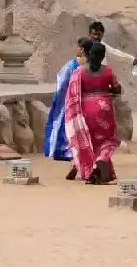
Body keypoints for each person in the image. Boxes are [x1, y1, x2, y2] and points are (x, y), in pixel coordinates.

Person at [64, 41, 122, 185]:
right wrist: (107, 91)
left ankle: (91, 170)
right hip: (104, 108)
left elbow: (72, 93)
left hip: (85, 109)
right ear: (103, 57)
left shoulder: (79, 72)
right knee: (108, 139)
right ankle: (102, 160)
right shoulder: (109, 71)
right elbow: (117, 89)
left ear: (88, 54)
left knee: (89, 141)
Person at [43, 37, 92, 180]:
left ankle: (75, 162)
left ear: (82, 49)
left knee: (72, 135)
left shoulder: (73, 65)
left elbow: (62, 82)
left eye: (77, 46)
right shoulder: (94, 64)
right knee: (87, 136)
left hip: (73, 104)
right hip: (91, 104)